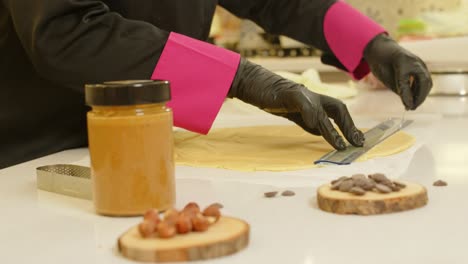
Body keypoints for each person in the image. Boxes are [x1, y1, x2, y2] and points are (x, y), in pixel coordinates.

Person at [0, 0, 432, 169]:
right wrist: (238, 76)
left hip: (143, 149)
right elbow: (66, 32)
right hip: (32, 152)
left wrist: (371, 42)